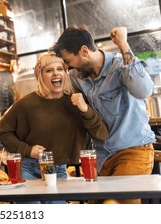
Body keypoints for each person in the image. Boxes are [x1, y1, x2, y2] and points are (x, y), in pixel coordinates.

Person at [51, 25, 155, 204]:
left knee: (113, 207)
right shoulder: (77, 77)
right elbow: (84, 117)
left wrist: (123, 45)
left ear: (84, 51)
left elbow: (144, 91)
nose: (67, 68)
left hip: (133, 150)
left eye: (68, 61)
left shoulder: (119, 65)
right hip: (101, 157)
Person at [0, 53, 108, 204]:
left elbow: (101, 134)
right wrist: (27, 150)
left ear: (65, 73)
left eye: (60, 69)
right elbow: (3, 130)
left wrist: (84, 109)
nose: (56, 73)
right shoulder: (25, 103)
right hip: (28, 167)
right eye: (49, 70)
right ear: (40, 75)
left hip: (58, 168)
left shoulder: (76, 101)